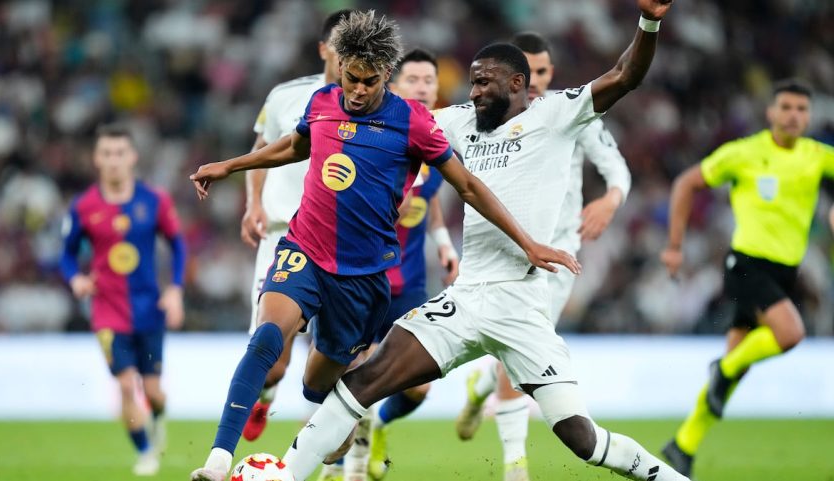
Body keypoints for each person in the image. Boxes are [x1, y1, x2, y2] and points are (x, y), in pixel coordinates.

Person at [280, 3, 689, 481]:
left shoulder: (557, 113)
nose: (472, 91)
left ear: (517, 84)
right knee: (363, 382)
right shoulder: (459, 121)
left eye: (483, 83)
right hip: (467, 297)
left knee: (584, 439)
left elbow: (625, 75)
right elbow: (393, 127)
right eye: (472, 82)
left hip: (522, 303)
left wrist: (649, 22)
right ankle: (283, 474)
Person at [188, 10, 577, 481]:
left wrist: (528, 244)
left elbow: (468, 187)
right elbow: (295, 146)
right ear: (340, 67)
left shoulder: (412, 122)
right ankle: (218, 460)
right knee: (268, 336)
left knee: (316, 386)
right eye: (350, 78)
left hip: (362, 277)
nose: (356, 90)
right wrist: (229, 166)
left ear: (386, 74)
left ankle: (342, 429)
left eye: (368, 82)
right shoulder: (322, 101)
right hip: (304, 248)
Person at [454, 31, 631, 481]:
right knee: (517, 353)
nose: (536, 80)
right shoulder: (485, 123)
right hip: (501, 256)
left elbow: (616, 168)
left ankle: (485, 389)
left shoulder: (567, 113)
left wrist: (610, 200)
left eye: (544, 71)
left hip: (558, 255)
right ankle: (515, 466)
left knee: (517, 355)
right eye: (529, 71)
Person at [659, 80, 834, 477]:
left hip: (785, 273)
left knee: (737, 365)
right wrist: (674, 245)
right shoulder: (744, 153)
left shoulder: (817, 156)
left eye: (801, 109)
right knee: (790, 334)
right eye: (786, 107)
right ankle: (721, 370)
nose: (793, 115)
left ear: (809, 116)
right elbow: (686, 182)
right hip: (746, 265)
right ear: (770, 112)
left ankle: (683, 444)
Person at [240, 8, 352, 446]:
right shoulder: (286, 96)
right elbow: (262, 149)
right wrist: (253, 203)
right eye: (341, 46)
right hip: (283, 234)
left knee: (334, 354)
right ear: (324, 49)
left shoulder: (375, 104)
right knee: (274, 360)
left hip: (341, 242)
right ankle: (266, 395)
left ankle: (332, 443)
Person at [60, 123, 186, 476]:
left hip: (149, 309)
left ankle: (157, 417)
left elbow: (178, 244)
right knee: (126, 385)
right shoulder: (83, 206)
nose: (113, 160)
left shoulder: (154, 200)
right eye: (107, 153)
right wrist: (76, 279)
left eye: (120, 153)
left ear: (132, 157)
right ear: (96, 159)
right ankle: (145, 452)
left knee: (153, 392)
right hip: (107, 311)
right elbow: (67, 254)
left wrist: (175, 289)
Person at [361, 48, 460, 481]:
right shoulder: (376, 138)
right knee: (353, 375)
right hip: (364, 278)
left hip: (411, 284)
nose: (421, 87)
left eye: (428, 80)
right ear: (395, 87)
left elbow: (430, 203)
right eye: (413, 79)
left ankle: (379, 427)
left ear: (437, 90)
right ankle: (343, 463)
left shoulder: (437, 146)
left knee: (418, 388)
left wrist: (444, 244)